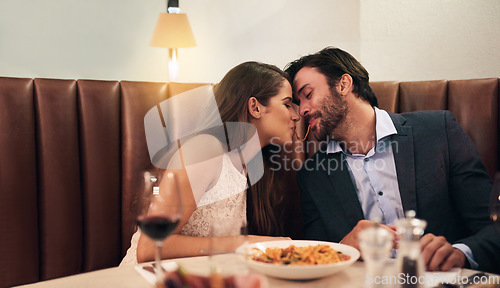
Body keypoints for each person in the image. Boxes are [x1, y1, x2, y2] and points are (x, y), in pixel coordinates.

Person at [284, 47, 500, 273]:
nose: (302, 111)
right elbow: (315, 255)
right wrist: (342, 249)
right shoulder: (312, 176)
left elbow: (494, 226)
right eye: (298, 103)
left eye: (307, 95)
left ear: (344, 84)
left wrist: (461, 253)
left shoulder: (438, 132)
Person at [121, 61, 300, 265]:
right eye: (287, 104)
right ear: (255, 107)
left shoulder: (248, 167)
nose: (295, 116)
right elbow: (150, 247)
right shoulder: (205, 149)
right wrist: (247, 243)